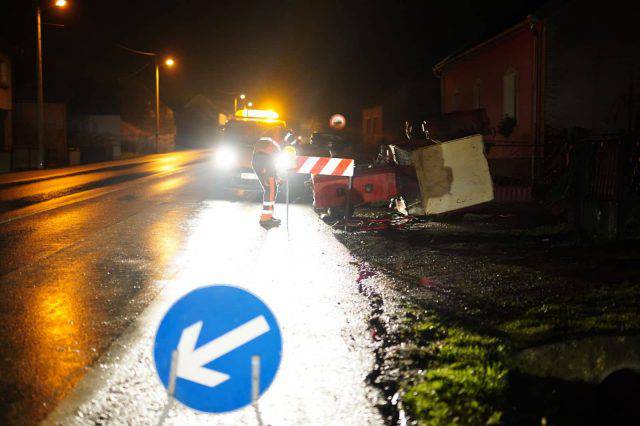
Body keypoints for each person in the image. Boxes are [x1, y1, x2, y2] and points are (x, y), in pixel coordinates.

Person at [252, 127, 284, 229]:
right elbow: (268, 161)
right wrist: (266, 172)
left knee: (272, 189)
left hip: (264, 163)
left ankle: (269, 216)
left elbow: (272, 162)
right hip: (264, 163)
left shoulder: (269, 141)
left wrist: (276, 176)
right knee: (270, 190)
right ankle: (265, 219)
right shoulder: (270, 142)